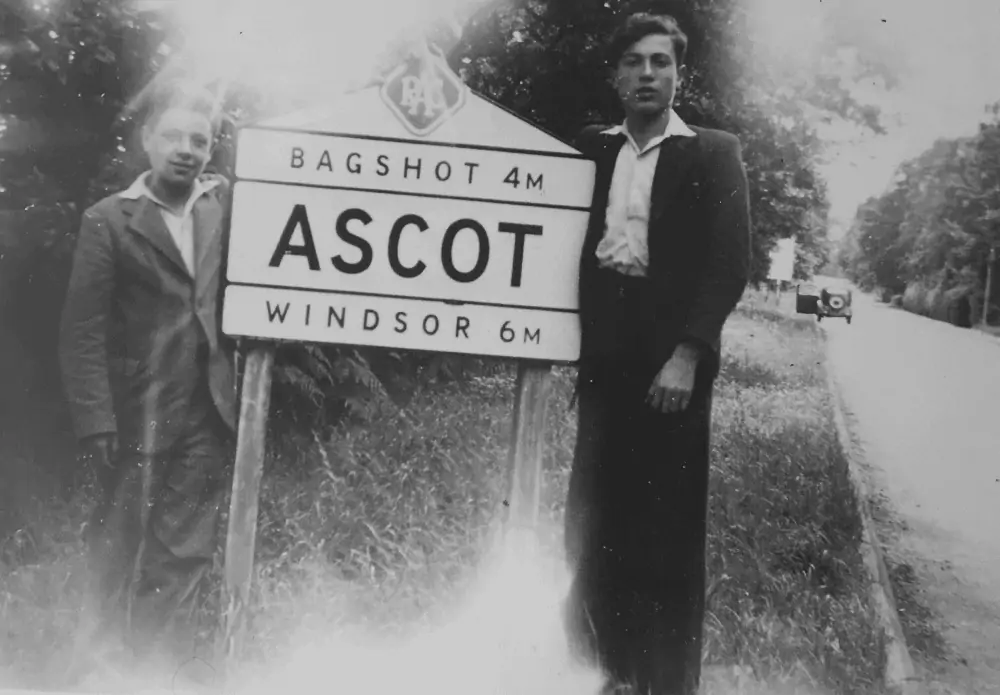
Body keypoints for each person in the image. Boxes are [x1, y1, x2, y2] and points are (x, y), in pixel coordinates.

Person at [563, 11, 751, 695]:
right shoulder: (590, 148)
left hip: (673, 361)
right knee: (596, 521)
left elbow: (730, 264)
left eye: (661, 62)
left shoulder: (711, 151)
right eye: (635, 62)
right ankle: (602, 671)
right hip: (604, 356)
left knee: (666, 531)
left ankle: (665, 682)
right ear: (615, 76)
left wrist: (688, 355)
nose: (648, 74)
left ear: (680, 72)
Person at [59, 79, 237, 656]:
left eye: (200, 140)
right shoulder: (109, 219)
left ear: (211, 150)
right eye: (172, 136)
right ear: (146, 140)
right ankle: (97, 666)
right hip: (137, 409)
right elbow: (82, 329)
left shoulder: (225, 206)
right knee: (115, 541)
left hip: (208, 409)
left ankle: (152, 672)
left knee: (184, 549)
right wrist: (95, 418)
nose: (186, 149)